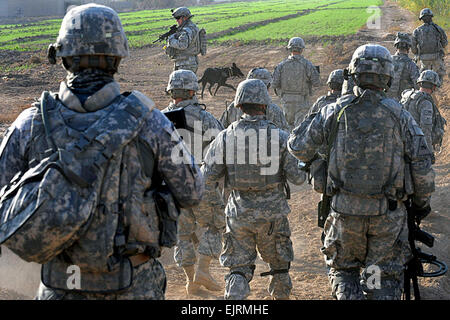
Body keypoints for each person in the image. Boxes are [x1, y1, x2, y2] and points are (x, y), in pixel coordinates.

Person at [0, 4, 204, 300]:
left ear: (61, 55)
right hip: (134, 285)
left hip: (60, 286)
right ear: (118, 56)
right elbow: (192, 192)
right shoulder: (150, 121)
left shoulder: (31, 121)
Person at [288, 44, 435, 300]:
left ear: (353, 74)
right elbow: (422, 165)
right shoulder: (400, 114)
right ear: (387, 76)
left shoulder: (334, 110)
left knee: (344, 270)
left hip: (344, 214)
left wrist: (322, 157)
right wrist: (421, 205)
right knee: (381, 275)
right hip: (387, 218)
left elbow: (297, 147)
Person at [202, 79, 307, 300]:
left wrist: (217, 208)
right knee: (279, 268)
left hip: (238, 212)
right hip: (273, 214)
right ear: (265, 105)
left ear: (238, 106)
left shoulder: (225, 137)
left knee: (238, 270)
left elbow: (207, 178)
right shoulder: (280, 137)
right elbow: (298, 178)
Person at [162, 69, 225, 296]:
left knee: (183, 233)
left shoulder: (159, 118)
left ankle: (191, 280)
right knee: (215, 225)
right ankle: (204, 270)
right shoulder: (205, 118)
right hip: (201, 180)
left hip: (172, 185)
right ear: (192, 91)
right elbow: (221, 149)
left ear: (171, 91)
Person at [220, 67, 289, 131]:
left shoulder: (233, 107)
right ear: (268, 86)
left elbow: (220, 130)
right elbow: (285, 135)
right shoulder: (274, 110)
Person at [272, 37, 320, 128]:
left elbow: (274, 84)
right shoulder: (307, 65)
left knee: (287, 128)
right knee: (301, 129)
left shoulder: (281, 65)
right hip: (302, 101)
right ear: (302, 49)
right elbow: (316, 83)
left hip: (286, 101)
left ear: (289, 49)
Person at [401, 69, 446, 155]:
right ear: (434, 87)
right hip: (415, 144)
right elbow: (426, 130)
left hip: (402, 140)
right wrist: (428, 152)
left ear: (420, 83)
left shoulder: (408, 95)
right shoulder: (426, 103)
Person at [411, 8, 448, 84]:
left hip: (424, 58)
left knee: (423, 75)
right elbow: (445, 43)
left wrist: (417, 53)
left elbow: (413, 48)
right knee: (439, 75)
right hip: (436, 57)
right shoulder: (438, 29)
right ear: (431, 17)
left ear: (421, 19)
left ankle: (425, 90)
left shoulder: (417, 31)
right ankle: (437, 89)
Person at [165, 7, 201, 73]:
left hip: (186, 64)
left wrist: (171, 40)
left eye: (178, 18)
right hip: (185, 62)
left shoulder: (187, 30)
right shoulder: (191, 27)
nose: (176, 20)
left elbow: (182, 45)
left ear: (184, 17)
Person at [386, 32, 420, 101]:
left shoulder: (387, 61)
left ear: (396, 46)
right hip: (403, 102)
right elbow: (417, 85)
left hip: (386, 102)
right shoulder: (411, 64)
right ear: (408, 48)